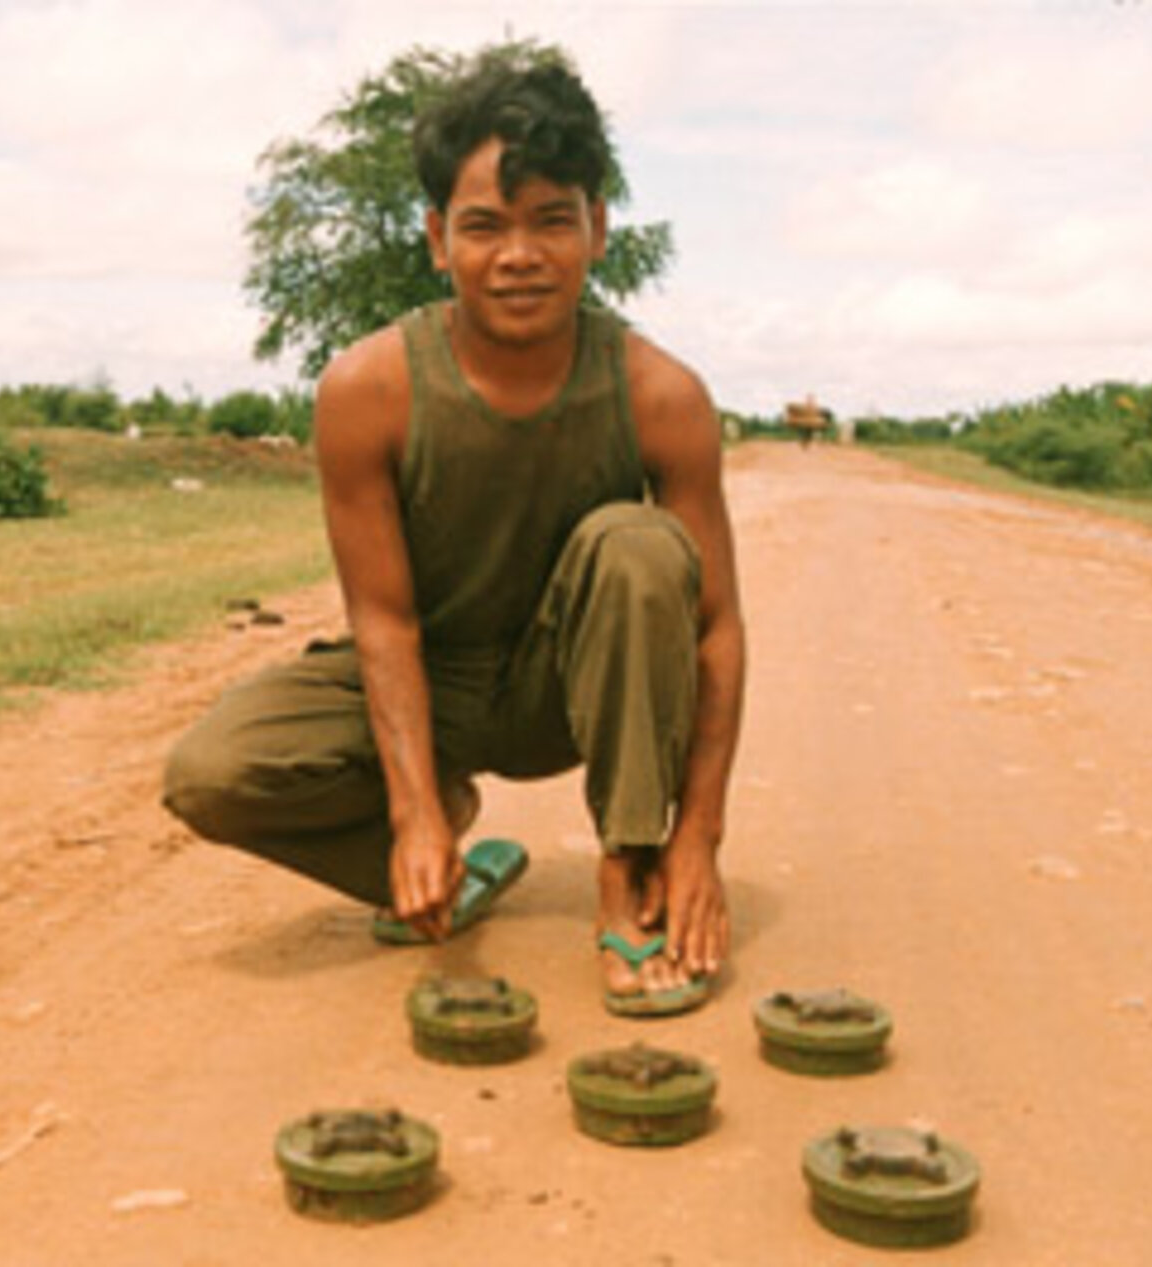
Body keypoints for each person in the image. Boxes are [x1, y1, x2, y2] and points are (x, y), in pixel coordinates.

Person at [163, 52, 746, 1015]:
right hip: (431, 683)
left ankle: (630, 876)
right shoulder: (368, 390)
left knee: (637, 547)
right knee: (211, 775)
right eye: (484, 226)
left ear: (597, 230)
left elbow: (716, 631)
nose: (519, 254)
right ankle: (442, 863)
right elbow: (383, 621)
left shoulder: (661, 395)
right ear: (439, 239)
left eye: (552, 220)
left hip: (566, 692)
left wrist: (699, 840)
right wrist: (415, 814)